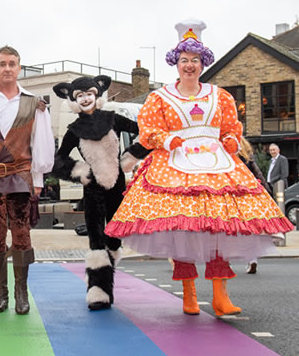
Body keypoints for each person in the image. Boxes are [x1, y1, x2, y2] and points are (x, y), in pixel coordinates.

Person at [105, 19, 293, 317]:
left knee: (219, 229)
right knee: (184, 231)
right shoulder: (160, 97)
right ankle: (189, 295)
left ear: (202, 63)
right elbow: (149, 132)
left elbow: (231, 128)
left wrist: (231, 140)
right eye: (184, 60)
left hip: (217, 166)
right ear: (175, 63)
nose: (189, 65)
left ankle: (220, 296)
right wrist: (167, 139)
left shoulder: (221, 96)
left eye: (195, 60)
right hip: (175, 166)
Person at [0, 46, 55, 315]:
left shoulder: (35, 103)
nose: (7, 68)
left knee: (22, 236)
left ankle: (21, 293)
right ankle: (0, 293)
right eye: (2, 63)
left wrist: (38, 176)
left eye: (12, 63)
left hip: (20, 175)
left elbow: (41, 141)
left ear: (19, 67)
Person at [51, 75, 148, 310]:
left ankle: (106, 279)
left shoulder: (113, 119)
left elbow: (147, 132)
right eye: (80, 95)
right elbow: (58, 160)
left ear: (97, 95)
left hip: (117, 188)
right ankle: (98, 292)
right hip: (92, 191)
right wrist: (82, 171)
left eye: (89, 94)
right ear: (73, 100)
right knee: (96, 242)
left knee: (114, 240)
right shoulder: (74, 130)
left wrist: (129, 159)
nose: (85, 99)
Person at [239, 138, 273, 274]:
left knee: (231, 229)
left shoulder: (230, 157)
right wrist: (267, 191)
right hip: (250, 194)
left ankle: (225, 258)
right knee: (251, 229)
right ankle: (252, 259)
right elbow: (258, 173)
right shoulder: (248, 157)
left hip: (234, 194)